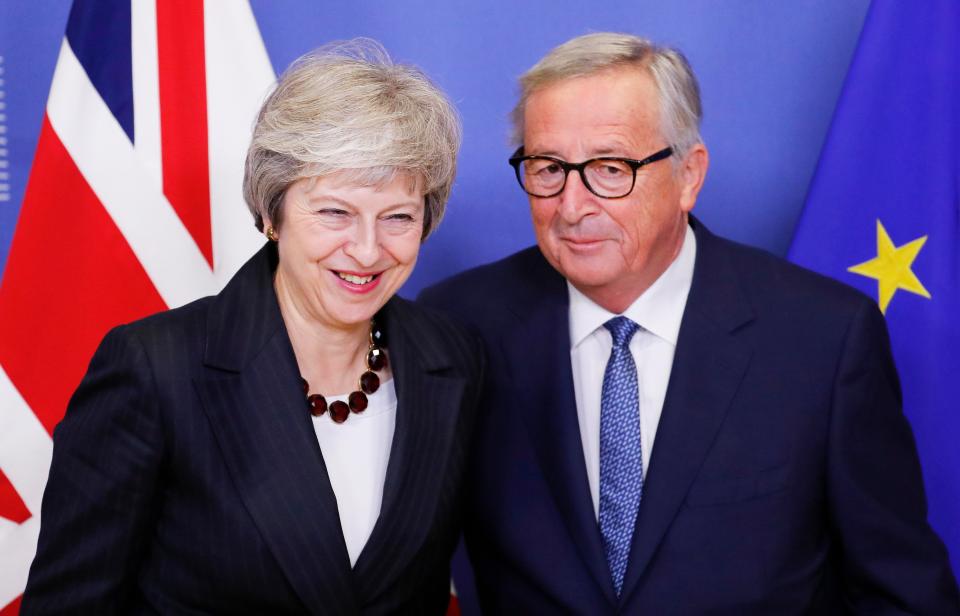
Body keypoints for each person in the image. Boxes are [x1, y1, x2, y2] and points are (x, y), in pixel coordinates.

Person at [419, 32, 959, 613]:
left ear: (688, 176)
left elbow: (902, 593)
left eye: (609, 168)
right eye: (548, 167)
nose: (571, 206)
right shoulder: (459, 324)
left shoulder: (824, 339)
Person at [22, 40, 481, 615]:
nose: (367, 250)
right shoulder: (154, 369)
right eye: (335, 212)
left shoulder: (452, 359)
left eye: (398, 218)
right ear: (271, 213)